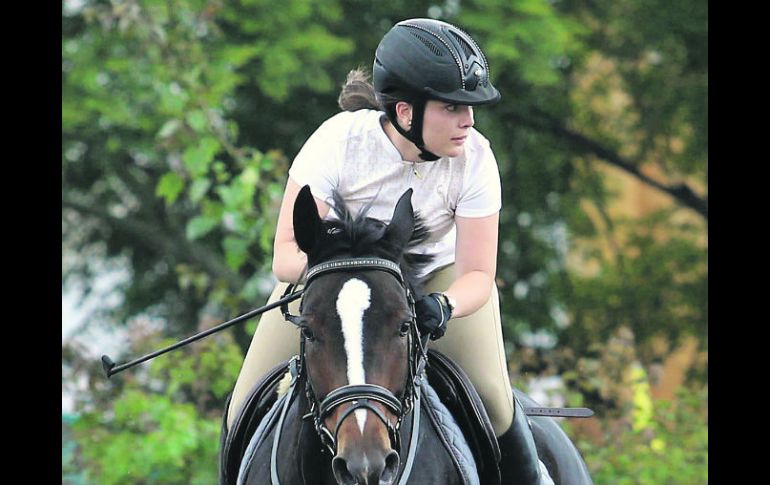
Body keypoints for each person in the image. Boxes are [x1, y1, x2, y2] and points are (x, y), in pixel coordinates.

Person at [227, 18, 544, 484]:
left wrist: (445, 304)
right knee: (241, 408)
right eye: (453, 108)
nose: (468, 122)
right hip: (325, 281)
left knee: (496, 401)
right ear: (406, 111)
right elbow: (286, 255)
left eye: (470, 109)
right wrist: (349, 276)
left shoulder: (476, 158)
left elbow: (478, 272)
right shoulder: (337, 143)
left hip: (436, 279)